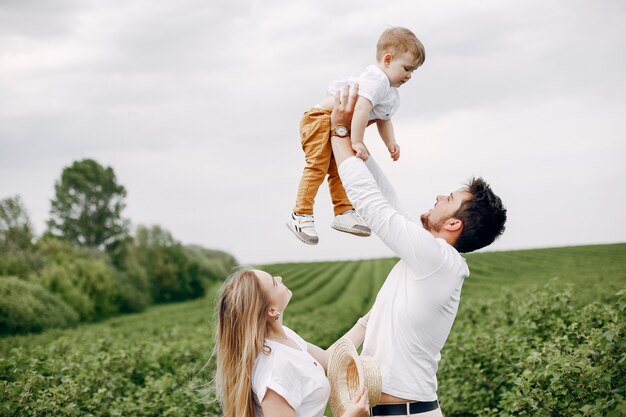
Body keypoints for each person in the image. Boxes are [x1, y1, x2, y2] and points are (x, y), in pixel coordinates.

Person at [328, 85, 507, 416]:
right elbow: (389, 201)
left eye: (449, 200)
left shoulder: (438, 261)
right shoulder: (426, 261)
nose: (439, 197)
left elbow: (374, 207)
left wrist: (339, 133)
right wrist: (358, 145)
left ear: (454, 225)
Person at [287, 27, 426, 246]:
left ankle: (343, 211)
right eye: (407, 68)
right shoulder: (377, 79)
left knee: (339, 168)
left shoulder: (391, 92)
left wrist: (390, 142)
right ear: (388, 59)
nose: (409, 75)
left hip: (335, 122)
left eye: (414, 71)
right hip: (319, 118)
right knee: (318, 166)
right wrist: (357, 142)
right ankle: (301, 213)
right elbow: (361, 109)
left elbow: (384, 119)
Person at [214, 268, 371, 417]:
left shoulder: (284, 337)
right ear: (272, 311)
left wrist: (371, 317)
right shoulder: (275, 372)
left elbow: (329, 358)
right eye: (274, 283)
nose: (279, 278)